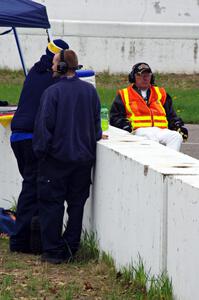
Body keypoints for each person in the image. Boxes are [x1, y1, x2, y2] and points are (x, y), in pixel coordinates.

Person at [33, 49, 102, 264]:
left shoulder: (52, 92)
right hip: (83, 161)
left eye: (54, 63)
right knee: (76, 205)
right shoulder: (91, 92)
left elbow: (44, 128)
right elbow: (97, 128)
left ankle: (53, 251)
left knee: (51, 205)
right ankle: (71, 249)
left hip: (56, 160)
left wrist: (41, 154)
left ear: (62, 67)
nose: (52, 67)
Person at [10, 39, 69, 253]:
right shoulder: (53, 79)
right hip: (31, 138)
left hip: (17, 137)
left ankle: (27, 239)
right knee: (31, 189)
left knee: (31, 186)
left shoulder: (35, 71)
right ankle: (19, 241)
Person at [110, 62, 188, 151]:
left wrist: (177, 126)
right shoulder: (124, 94)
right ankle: (154, 163)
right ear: (133, 77)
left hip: (161, 130)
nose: (145, 78)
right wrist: (124, 125)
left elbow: (171, 115)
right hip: (138, 131)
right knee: (150, 137)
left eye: (147, 75)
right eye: (141, 75)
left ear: (152, 77)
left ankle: (169, 162)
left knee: (176, 136)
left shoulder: (161, 93)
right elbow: (114, 117)